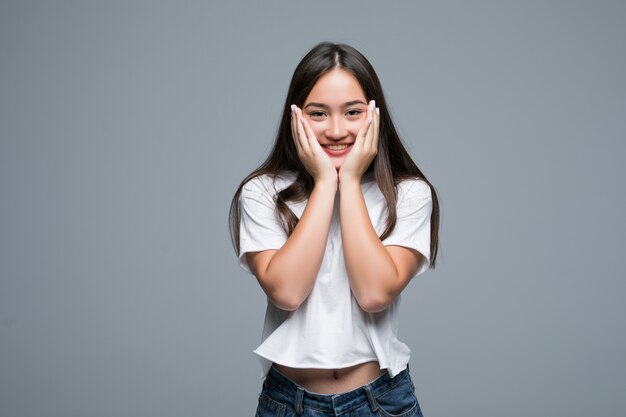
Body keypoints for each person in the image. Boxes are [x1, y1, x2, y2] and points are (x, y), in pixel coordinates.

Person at [229, 42, 440, 417]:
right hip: (288, 402)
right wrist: (325, 182)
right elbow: (287, 291)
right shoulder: (262, 191)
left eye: (353, 112)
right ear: (296, 116)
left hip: (381, 402)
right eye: (318, 113)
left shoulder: (408, 194)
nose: (337, 130)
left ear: (375, 115)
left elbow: (374, 293)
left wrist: (352, 181)